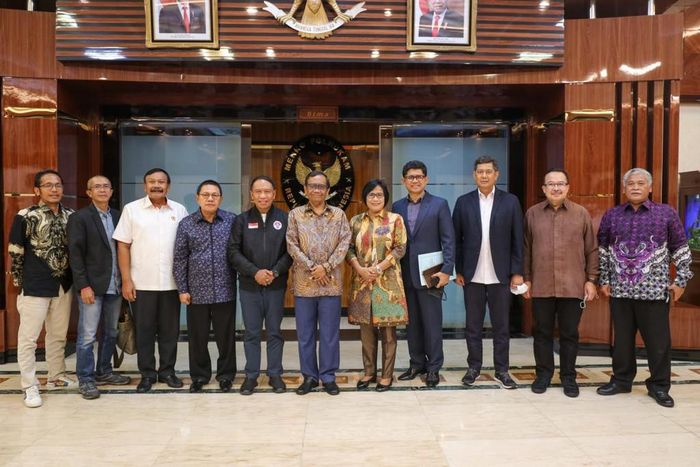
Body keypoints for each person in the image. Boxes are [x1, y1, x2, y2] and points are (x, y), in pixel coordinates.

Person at [596, 168, 693, 408]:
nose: (636, 187)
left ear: (650, 188)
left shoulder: (665, 214)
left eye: (641, 183)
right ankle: (621, 380)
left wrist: (681, 281)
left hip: (654, 291)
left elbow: (681, 249)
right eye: (631, 184)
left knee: (658, 343)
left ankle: (659, 386)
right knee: (622, 342)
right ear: (624, 188)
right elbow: (603, 251)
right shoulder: (612, 215)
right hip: (620, 292)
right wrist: (604, 280)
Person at [523, 169, 599, 397]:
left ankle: (568, 377)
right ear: (543, 189)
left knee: (569, 334)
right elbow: (526, 250)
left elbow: (592, 250)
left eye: (560, 184)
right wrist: (526, 279)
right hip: (541, 285)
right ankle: (543, 374)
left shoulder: (581, 213)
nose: (556, 188)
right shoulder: (532, 214)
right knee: (542, 333)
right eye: (551, 184)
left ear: (568, 187)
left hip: (573, 285)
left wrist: (591, 280)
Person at [113, 168, 189, 393]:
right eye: (152, 182)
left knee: (169, 332)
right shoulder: (132, 210)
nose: (157, 185)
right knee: (144, 331)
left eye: (161, 182)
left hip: (171, 284)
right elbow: (123, 245)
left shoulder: (179, 210)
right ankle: (147, 374)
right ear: (145, 186)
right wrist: (126, 280)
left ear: (168, 186)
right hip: (141, 283)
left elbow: (185, 246)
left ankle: (167, 371)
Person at [453, 155, 524, 390]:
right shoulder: (463, 202)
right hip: (472, 275)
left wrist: (516, 272)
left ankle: (502, 369)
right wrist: (459, 269)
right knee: (473, 326)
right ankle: (473, 367)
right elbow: (456, 240)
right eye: (480, 171)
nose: (484, 175)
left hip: (501, 275)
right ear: (474, 175)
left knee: (501, 326)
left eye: (488, 171)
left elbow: (518, 240)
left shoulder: (510, 201)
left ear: (497, 175)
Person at [9, 169, 75, 408]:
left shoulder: (71, 215)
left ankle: (56, 377)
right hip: (34, 285)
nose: (54, 189)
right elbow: (15, 251)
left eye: (58, 184)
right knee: (28, 338)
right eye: (48, 185)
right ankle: (29, 386)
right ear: (37, 190)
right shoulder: (25, 215)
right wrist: (20, 284)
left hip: (63, 284)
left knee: (57, 336)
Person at [286, 170, 351, 396]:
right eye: (312, 186)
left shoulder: (339, 215)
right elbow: (291, 245)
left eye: (321, 186)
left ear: (328, 190)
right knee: (305, 334)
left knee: (330, 334)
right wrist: (314, 268)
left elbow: (344, 243)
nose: (316, 190)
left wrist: (327, 267)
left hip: (331, 284)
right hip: (304, 284)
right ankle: (310, 377)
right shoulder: (295, 215)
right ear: (305, 190)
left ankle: (328, 377)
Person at [392, 160, 455, 388]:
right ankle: (416, 363)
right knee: (413, 324)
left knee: (432, 324)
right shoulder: (397, 207)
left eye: (419, 177)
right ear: (404, 181)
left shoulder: (439, 204)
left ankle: (434, 368)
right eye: (411, 177)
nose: (415, 180)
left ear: (426, 180)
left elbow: (448, 239)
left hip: (432, 275)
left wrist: (447, 270)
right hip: (405, 275)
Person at [67, 175, 131, 400]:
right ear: (89, 192)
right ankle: (85, 379)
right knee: (87, 335)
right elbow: (75, 255)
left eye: (106, 186)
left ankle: (104, 371)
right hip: (92, 287)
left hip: (115, 284)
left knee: (111, 332)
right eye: (97, 187)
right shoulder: (80, 218)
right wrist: (83, 285)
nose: (103, 190)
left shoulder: (118, 215)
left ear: (112, 191)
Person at [229, 175, 292, 395]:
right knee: (252, 333)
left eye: (267, 191)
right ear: (252, 195)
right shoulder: (242, 220)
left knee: (274, 332)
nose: (263, 195)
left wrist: (274, 272)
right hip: (249, 286)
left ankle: (275, 374)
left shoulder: (285, 219)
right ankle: (251, 376)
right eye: (258, 192)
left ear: (274, 194)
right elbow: (233, 252)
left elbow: (290, 252)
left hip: (275, 285)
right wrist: (254, 272)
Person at [173, 180, 237, 393]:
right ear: (198, 197)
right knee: (197, 338)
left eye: (215, 195)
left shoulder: (231, 221)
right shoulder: (187, 224)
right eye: (206, 195)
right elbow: (180, 258)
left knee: (225, 337)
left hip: (225, 289)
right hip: (196, 292)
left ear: (220, 198)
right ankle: (199, 376)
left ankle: (226, 375)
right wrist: (182, 289)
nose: (210, 198)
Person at [347, 179, 408, 392]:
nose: (375, 198)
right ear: (365, 198)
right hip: (362, 283)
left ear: (385, 198)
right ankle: (369, 372)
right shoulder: (355, 221)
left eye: (379, 195)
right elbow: (348, 250)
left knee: (389, 333)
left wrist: (379, 268)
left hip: (388, 284)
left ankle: (387, 375)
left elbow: (400, 249)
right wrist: (360, 269)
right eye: (371, 195)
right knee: (367, 333)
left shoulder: (395, 220)